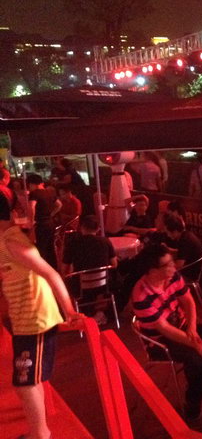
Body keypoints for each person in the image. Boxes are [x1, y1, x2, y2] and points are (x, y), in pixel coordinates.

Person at [0, 191, 83, 439]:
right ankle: (39, 432)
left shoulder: (12, 242)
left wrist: (69, 311)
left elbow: (50, 273)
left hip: (36, 320)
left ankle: (40, 434)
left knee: (25, 382)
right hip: (24, 320)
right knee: (28, 380)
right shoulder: (6, 239)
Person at [131, 244, 202, 421]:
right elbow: (164, 329)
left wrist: (192, 328)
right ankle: (194, 399)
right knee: (195, 358)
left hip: (182, 325)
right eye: (167, 264)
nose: (173, 267)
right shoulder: (141, 295)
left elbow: (188, 301)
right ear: (152, 270)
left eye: (172, 262)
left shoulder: (173, 276)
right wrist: (196, 344)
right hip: (159, 340)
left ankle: (195, 388)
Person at [62, 215, 117, 326]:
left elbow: (64, 269)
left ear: (81, 227)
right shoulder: (105, 241)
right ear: (98, 228)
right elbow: (114, 265)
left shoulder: (73, 243)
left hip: (80, 287)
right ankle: (100, 311)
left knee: (65, 281)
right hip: (103, 285)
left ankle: (78, 313)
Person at [27, 174, 62, 268]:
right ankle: (54, 268)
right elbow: (59, 204)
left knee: (40, 249)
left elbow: (32, 206)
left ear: (31, 184)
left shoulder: (34, 193)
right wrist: (51, 214)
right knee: (50, 248)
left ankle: (41, 269)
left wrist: (31, 221)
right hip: (50, 223)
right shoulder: (49, 192)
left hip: (40, 224)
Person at [163, 214, 202, 281]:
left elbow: (179, 265)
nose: (168, 235)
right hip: (194, 268)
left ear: (175, 231)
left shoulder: (184, 241)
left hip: (190, 273)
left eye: (168, 232)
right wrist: (168, 250)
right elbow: (183, 253)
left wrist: (163, 267)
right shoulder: (187, 235)